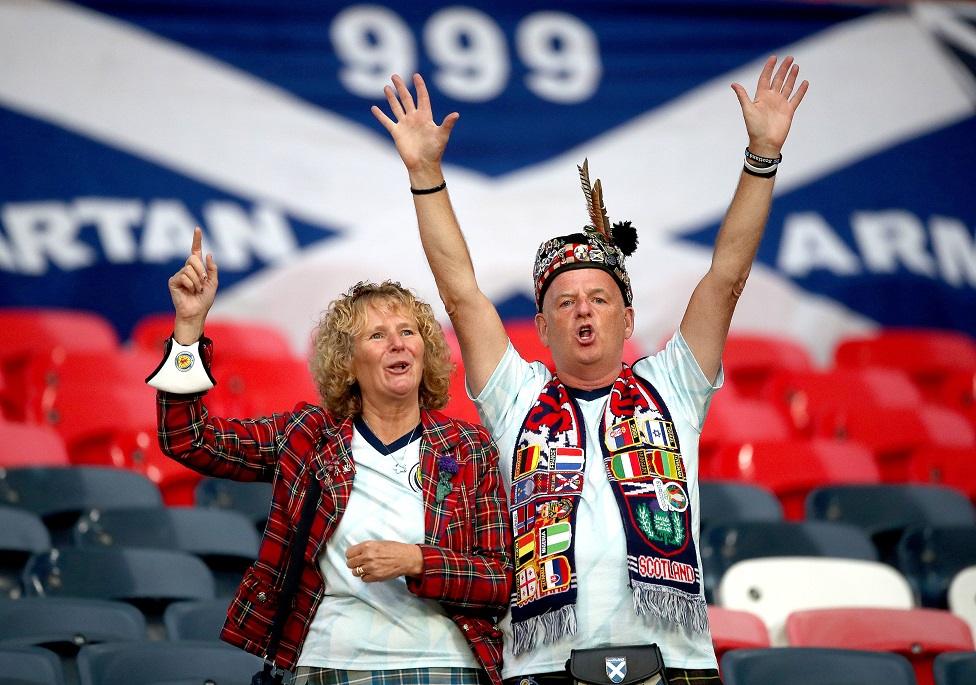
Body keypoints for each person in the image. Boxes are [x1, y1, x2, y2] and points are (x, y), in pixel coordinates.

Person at [371, 56, 808, 684]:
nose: (583, 312)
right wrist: (425, 174)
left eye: (599, 299)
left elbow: (726, 277)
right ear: (542, 328)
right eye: (564, 302)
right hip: (544, 666)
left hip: (674, 663)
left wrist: (762, 155)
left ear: (627, 320)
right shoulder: (516, 396)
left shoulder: (673, 386)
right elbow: (462, 292)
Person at [147, 228, 512, 685]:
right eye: (377, 335)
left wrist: (417, 561)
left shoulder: (468, 447)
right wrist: (188, 328)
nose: (398, 343)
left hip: (443, 666)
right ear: (348, 362)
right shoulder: (309, 438)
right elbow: (187, 438)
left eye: (408, 332)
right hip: (327, 666)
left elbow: (500, 580)